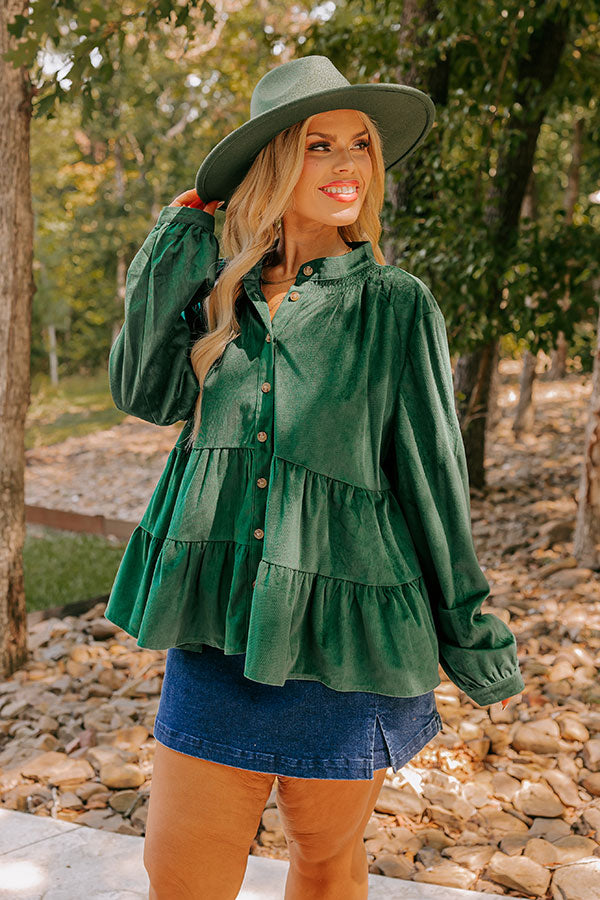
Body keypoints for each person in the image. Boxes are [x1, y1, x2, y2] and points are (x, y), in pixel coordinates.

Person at [105, 55, 525, 899]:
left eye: (359, 144)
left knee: (327, 868)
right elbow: (143, 393)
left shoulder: (396, 304)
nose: (346, 165)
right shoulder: (218, 299)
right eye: (317, 145)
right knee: (179, 877)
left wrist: (471, 635)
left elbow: (433, 481)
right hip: (216, 631)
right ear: (272, 163)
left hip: (344, 638)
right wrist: (181, 234)